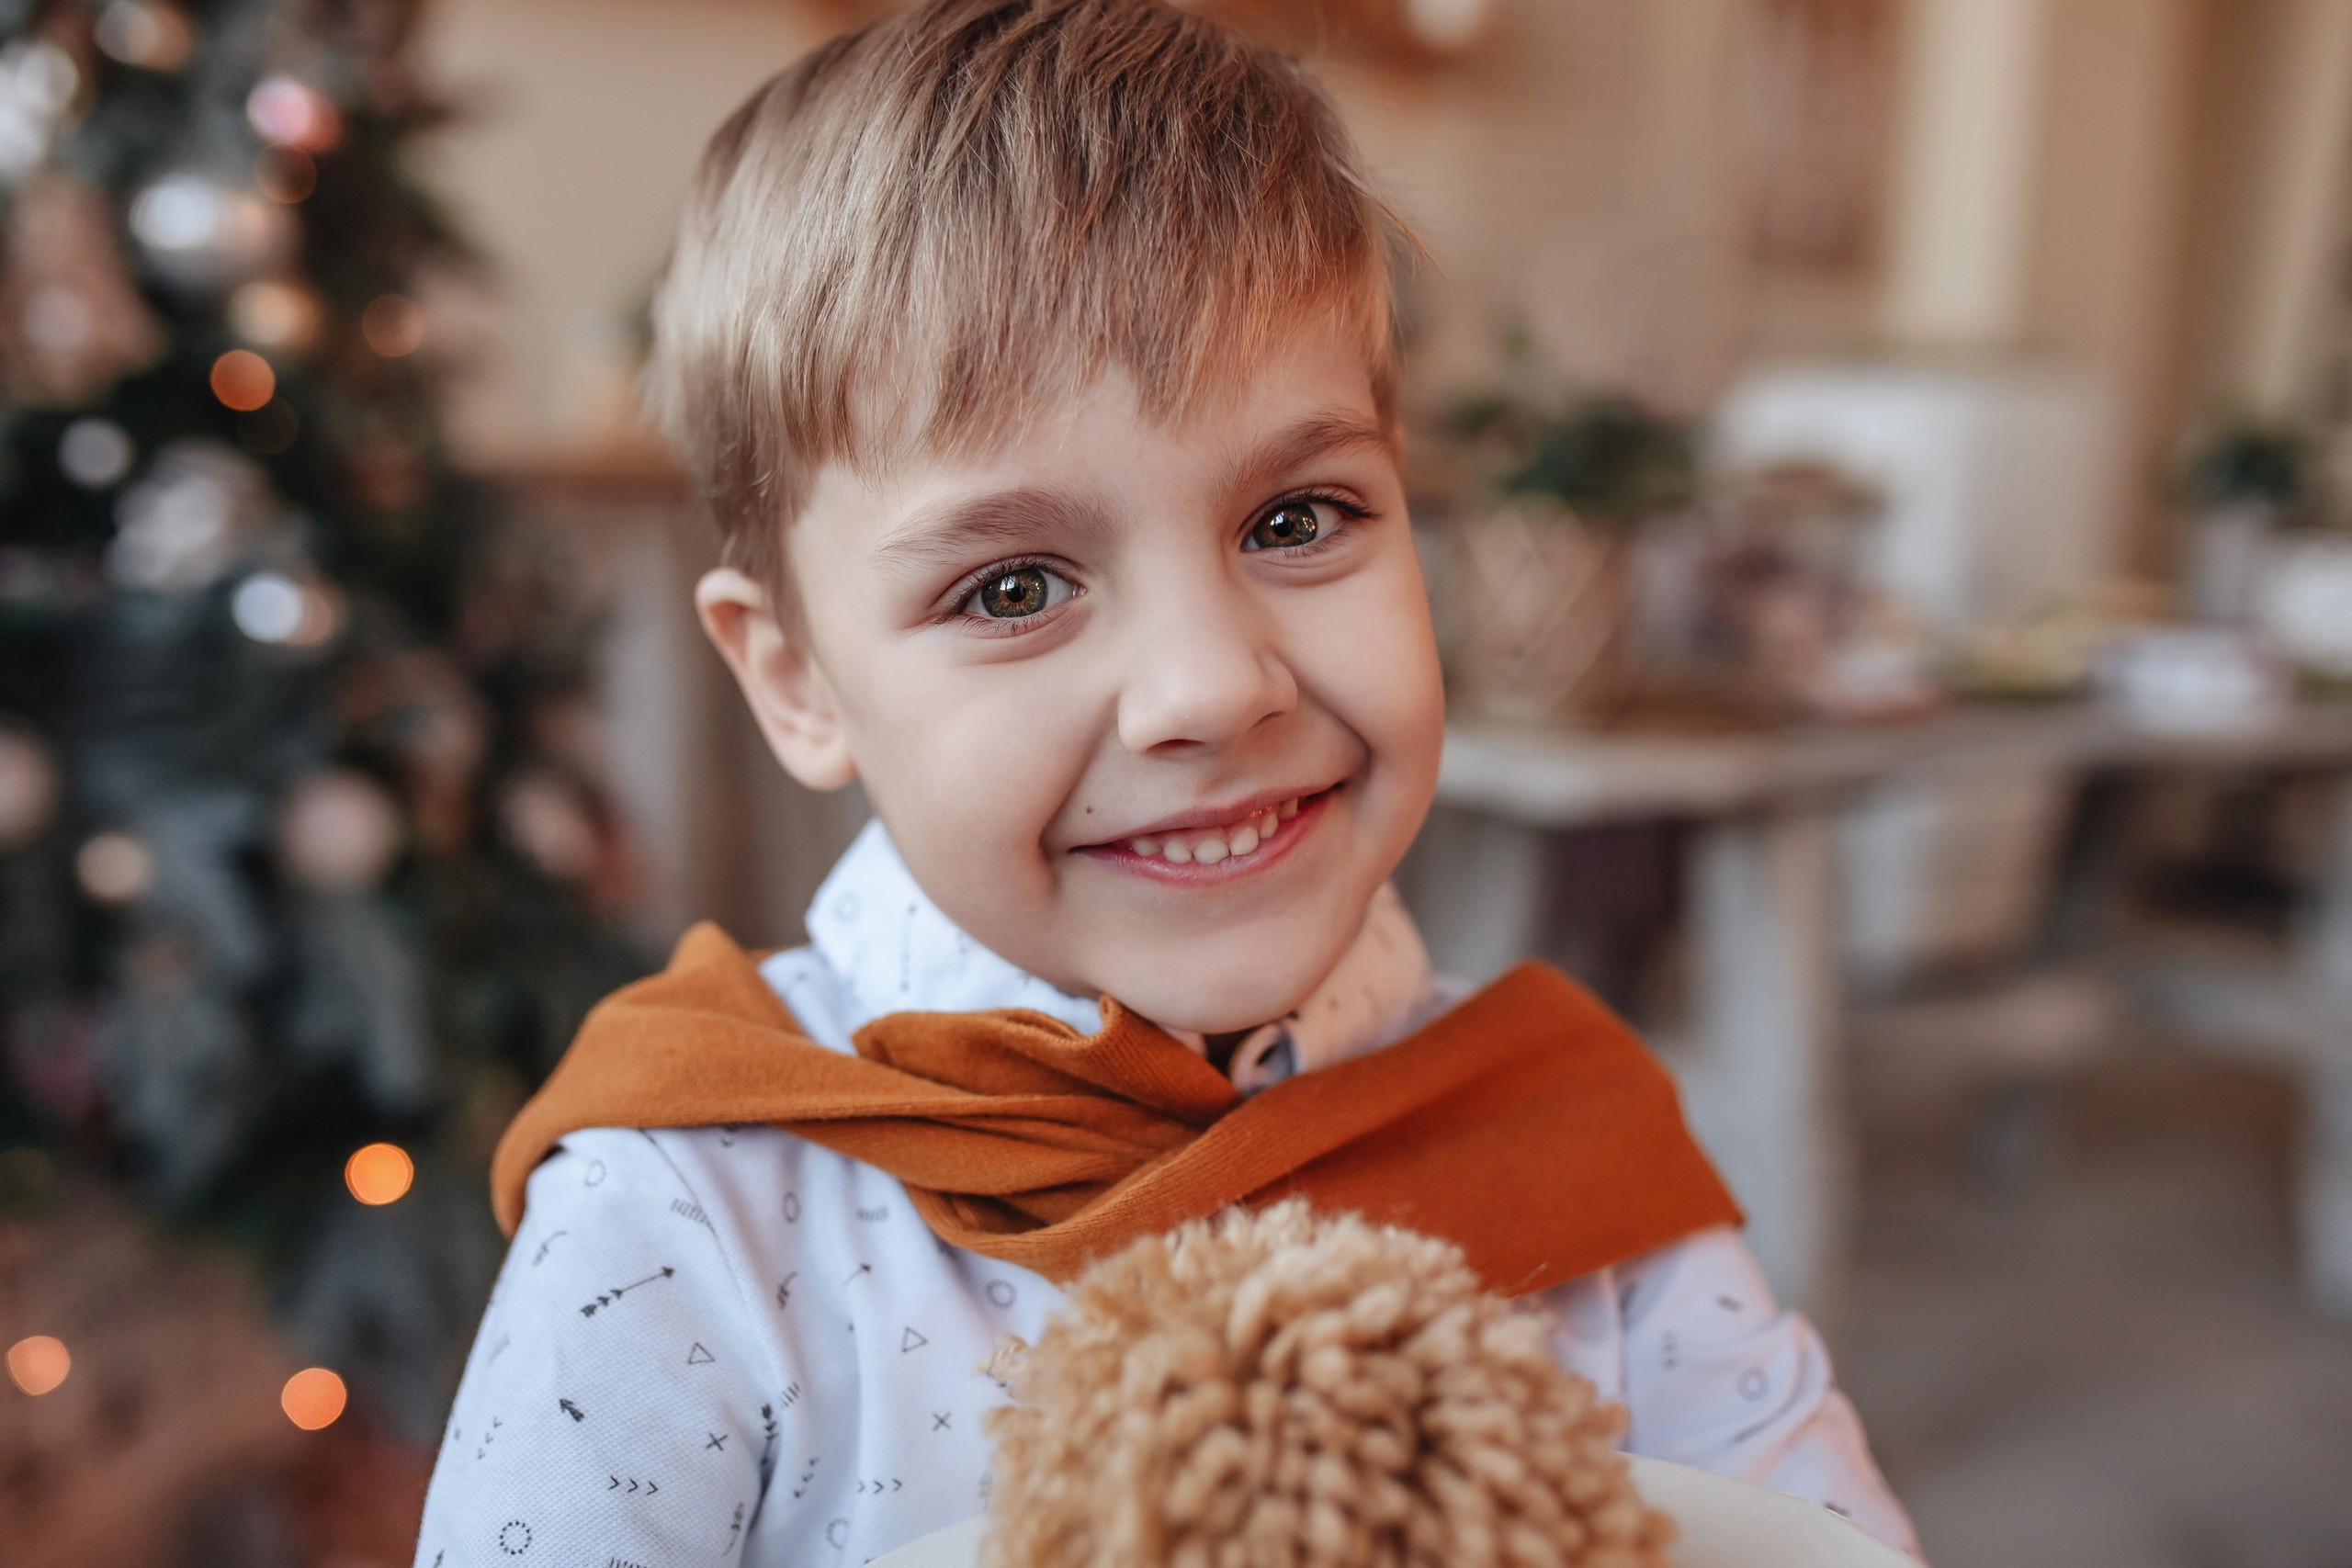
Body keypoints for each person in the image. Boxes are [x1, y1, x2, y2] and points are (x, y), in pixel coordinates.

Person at [412, 2, 1923, 1563]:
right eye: (1012, 589)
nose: (1212, 684)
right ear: (797, 680)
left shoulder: (1561, 1136)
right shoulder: (684, 1219)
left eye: (1298, 519)